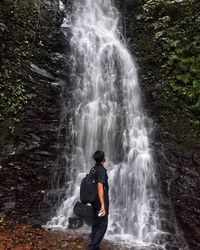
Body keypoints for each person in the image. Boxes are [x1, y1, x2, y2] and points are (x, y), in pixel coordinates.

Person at [87, 150, 109, 250]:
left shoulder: (93, 169)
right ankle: (92, 247)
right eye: (104, 156)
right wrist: (103, 205)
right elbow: (100, 187)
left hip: (93, 201)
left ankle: (95, 246)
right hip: (100, 202)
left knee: (96, 223)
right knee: (103, 225)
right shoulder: (101, 170)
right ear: (103, 159)